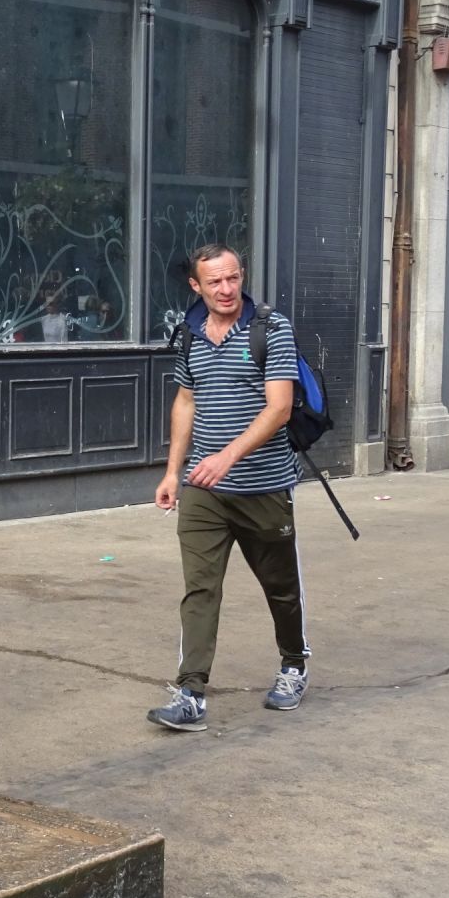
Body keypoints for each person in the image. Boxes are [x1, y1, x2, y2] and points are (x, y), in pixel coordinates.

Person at [147, 243, 310, 733]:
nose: (226, 289)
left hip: (263, 486)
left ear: (242, 277)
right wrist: (174, 471)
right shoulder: (191, 334)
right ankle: (191, 692)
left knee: (280, 588)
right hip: (204, 490)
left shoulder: (271, 328)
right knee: (200, 589)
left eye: (233, 278)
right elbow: (185, 402)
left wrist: (227, 456)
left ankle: (293, 665)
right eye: (214, 282)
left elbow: (278, 408)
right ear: (195, 286)